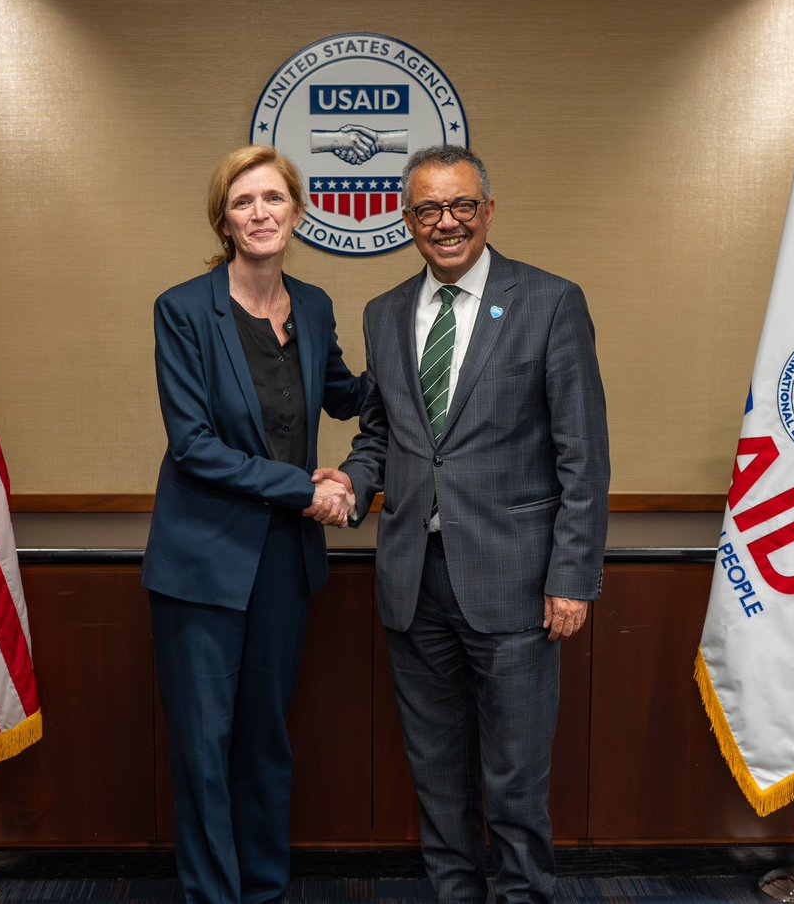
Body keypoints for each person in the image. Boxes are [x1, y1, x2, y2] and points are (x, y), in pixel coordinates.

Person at [315, 144, 610, 902]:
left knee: (514, 782)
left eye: (461, 207)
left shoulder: (549, 301)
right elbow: (382, 435)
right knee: (438, 779)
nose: (445, 223)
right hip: (413, 582)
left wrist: (572, 577)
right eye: (427, 210)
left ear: (486, 211)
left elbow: (584, 453)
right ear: (406, 219)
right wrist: (352, 479)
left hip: (516, 583)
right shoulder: (384, 313)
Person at [143, 145, 364, 904]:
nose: (261, 212)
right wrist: (306, 487)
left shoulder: (315, 305)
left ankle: (264, 890)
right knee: (206, 747)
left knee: (266, 741)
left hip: (280, 562)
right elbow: (194, 444)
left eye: (274, 198)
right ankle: (213, 896)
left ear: (298, 214)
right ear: (225, 221)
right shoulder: (183, 310)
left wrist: (421, 361)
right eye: (244, 202)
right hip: (202, 563)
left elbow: (346, 395)